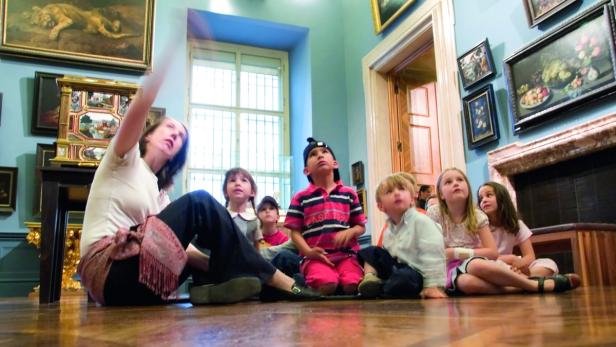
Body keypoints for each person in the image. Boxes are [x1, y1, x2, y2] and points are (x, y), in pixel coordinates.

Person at [77, 50, 319, 306]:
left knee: (203, 255)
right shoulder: (123, 159)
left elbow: (186, 251)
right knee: (199, 201)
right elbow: (139, 107)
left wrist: (230, 267)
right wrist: (162, 66)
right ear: (148, 134)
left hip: (143, 284)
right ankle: (281, 283)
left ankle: (225, 288)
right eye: (169, 127)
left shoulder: (160, 194)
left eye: (181, 137)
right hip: (110, 274)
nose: (176, 136)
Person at [426, 168, 580, 295]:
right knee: (466, 282)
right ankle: (529, 286)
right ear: (440, 194)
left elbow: (493, 253)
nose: (455, 184)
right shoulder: (435, 213)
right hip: (451, 269)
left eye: (460, 180)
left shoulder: (478, 217)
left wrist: (455, 252)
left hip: (476, 263)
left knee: (477, 265)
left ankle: (531, 284)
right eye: (448, 182)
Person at [285, 137, 367, 295]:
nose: (320, 156)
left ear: (335, 163)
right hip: (316, 257)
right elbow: (294, 232)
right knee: (326, 285)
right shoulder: (300, 197)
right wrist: (308, 252)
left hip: (346, 255)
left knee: (352, 284)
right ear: (306, 170)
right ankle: (306, 278)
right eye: (313, 154)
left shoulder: (349, 194)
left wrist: (351, 232)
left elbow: (360, 226)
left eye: (324, 152)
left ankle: (337, 279)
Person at [357, 172, 447, 299]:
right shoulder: (388, 231)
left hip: (417, 273)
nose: (396, 193)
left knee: (404, 279)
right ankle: (370, 279)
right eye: (389, 191)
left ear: (412, 199)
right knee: (370, 251)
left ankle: (383, 288)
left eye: (401, 189)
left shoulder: (422, 221)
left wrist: (432, 286)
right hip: (397, 267)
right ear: (380, 206)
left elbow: (433, 254)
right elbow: (388, 256)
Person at [477, 181, 558, 277]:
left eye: (489, 195)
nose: (484, 200)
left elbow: (530, 256)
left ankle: (520, 279)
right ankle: (526, 280)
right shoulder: (480, 227)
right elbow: (483, 258)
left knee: (549, 263)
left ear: (502, 198)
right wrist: (511, 259)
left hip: (512, 267)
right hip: (491, 265)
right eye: (481, 199)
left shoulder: (516, 224)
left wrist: (521, 264)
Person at [223, 167, 264, 249]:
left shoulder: (254, 220)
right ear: (225, 192)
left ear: (252, 192)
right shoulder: (219, 217)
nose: (237, 183)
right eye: (232, 180)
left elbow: (257, 250)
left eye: (244, 180)